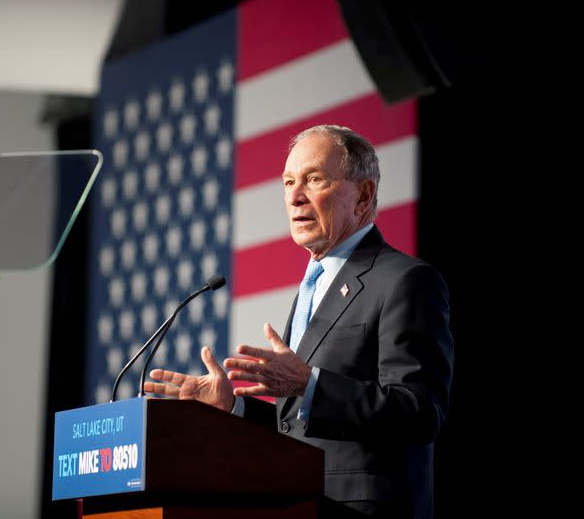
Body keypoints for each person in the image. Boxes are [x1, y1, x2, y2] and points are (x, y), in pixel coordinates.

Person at [144, 124, 453, 518]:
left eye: (314, 179)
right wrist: (233, 409)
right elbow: (295, 425)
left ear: (363, 194)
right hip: (296, 503)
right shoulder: (313, 287)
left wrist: (312, 385)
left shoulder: (405, 280)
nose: (294, 196)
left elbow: (419, 412)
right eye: (289, 182)